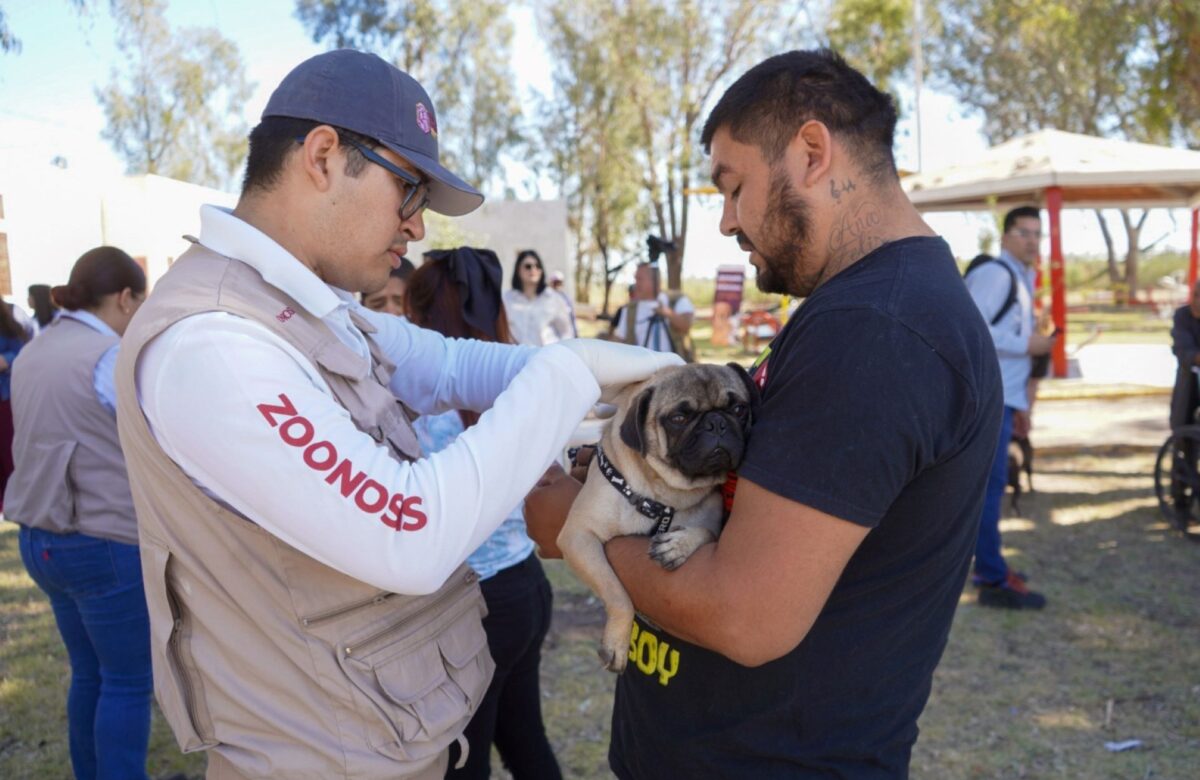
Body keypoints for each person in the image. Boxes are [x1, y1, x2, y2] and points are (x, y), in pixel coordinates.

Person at [111, 49, 677, 779]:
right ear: (322, 156)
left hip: (380, 733)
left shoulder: (307, 305)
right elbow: (410, 535)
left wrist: (631, 377)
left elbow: (449, 366)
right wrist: (569, 372)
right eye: (408, 191)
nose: (415, 229)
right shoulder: (213, 343)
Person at [526, 48, 1003, 777]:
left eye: (734, 186)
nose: (724, 222)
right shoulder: (861, 308)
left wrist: (582, 526)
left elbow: (742, 616)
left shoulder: (879, 330)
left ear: (812, 152)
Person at [405, 248, 561, 780]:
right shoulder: (517, 376)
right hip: (526, 585)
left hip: (482, 601)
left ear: (423, 319)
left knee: (462, 763)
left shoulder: (435, 402)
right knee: (524, 742)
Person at [5, 246, 150, 780]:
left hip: (41, 537)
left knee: (90, 674)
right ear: (124, 297)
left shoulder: (35, 350)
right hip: (102, 537)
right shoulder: (106, 355)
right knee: (128, 681)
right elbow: (154, 437)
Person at [964, 205, 1056, 609]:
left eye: (1038, 234)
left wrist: (1021, 403)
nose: (1033, 241)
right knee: (987, 492)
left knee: (990, 490)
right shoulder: (995, 274)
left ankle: (991, 567)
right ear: (1004, 237)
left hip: (1003, 400)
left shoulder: (1020, 278)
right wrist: (1028, 344)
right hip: (988, 400)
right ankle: (990, 576)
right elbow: (970, 326)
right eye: (1024, 233)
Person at [609, 263, 694, 358]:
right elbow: (619, 339)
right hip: (642, 368)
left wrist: (667, 313)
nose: (636, 284)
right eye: (635, 279)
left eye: (640, 279)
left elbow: (686, 325)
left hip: (676, 368)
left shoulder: (677, 300)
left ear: (655, 281)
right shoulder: (629, 309)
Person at [1169, 279, 1200, 516]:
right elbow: (1185, 351)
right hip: (1189, 387)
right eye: (1196, 295)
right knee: (1182, 438)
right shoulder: (1182, 317)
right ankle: (1180, 500)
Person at [502, 249, 573, 345]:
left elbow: (567, 333)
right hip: (516, 357)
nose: (533, 269)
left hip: (546, 357)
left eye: (537, 266)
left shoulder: (554, 299)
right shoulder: (506, 299)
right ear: (518, 270)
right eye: (528, 266)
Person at [0, 300, 30, 508]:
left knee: (7, 450)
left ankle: (12, 501)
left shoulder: (9, 326)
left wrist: (6, 360)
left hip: (5, 398)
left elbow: (22, 352)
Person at [547, 270, 578, 337]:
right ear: (551, 283)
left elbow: (572, 317)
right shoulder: (546, 299)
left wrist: (576, 333)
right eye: (555, 282)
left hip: (567, 335)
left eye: (559, 282)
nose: (557, 285)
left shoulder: (566, 298)